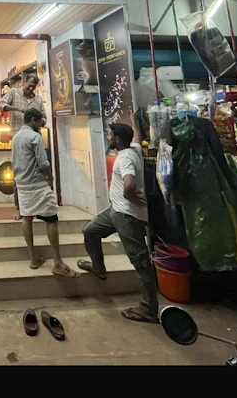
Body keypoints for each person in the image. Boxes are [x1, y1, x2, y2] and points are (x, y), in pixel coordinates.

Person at [77, 111, 159, 324]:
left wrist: (130, 195)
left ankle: (148, 309)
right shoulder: (134, 149)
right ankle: (98, 268)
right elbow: (137, 138)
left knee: (140, 262)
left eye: (110, 135)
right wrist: (134, 121)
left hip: (127, 216)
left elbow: (129, 183)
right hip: (115, 211)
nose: (108, 137)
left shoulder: (125, 159)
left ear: (118, 139)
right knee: (90, 231)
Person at [12, 108, 79, 278]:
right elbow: (43, 163)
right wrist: (50, 177)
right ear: (33, 120)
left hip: (22, 185)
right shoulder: (35, 137)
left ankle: (33, 258)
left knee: (27, 218)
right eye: (40, 121)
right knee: (51, 220)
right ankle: (57, 262)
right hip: (37, 184)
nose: (41, 125)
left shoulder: (16, 137)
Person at [0, 75, 47, 220]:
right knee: (19, 174)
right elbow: (0, 105)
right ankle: (20, 209)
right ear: (24, 82)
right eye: (29, 85)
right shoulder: (13, 93)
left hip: (35, 139)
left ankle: (37, 208)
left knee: (37, 174)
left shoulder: (38, 99)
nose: (31, 88)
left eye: (33, 87)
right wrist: (18, 109)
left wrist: (37, 120)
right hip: (18, 138)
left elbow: (44, 118)